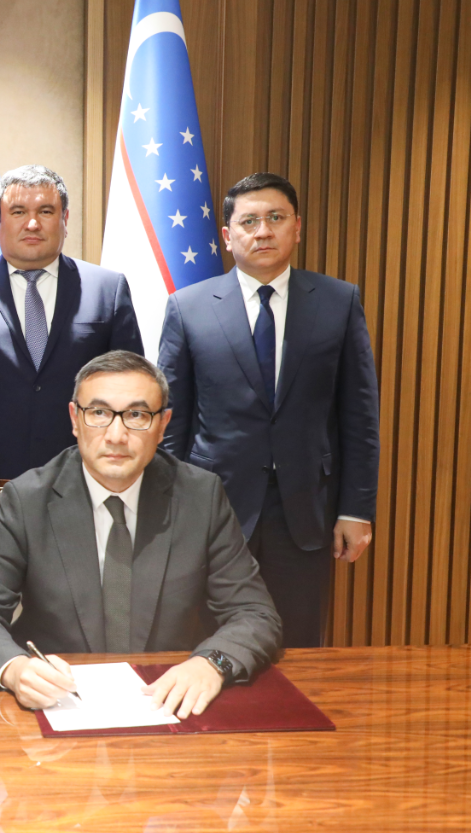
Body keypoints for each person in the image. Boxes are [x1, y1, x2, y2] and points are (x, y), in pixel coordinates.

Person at [0, 351, 281, 719]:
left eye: (137, 416)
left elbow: (254, 613)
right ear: (75, 419)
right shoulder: (26, 499)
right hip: (59, 703)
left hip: (166, 700)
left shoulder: (201, 496)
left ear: (163, 424)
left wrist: (210, 663)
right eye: (99, 413)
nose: (116, 435)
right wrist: (15, 669)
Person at [157, 173, 379, 648]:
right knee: (211, 647)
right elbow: (171, 424)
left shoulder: (338, 302)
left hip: (306, 512)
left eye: (276, 218)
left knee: (297, 649)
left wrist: (356, 509)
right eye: (249, 221)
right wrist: (168, 510)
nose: (263, 231)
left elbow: (359, 417)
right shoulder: (187, 308)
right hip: (212, 511)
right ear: (227, 235)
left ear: (296, 227)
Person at [0, 164, 145, 575]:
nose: (33, 223)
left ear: (65, 218)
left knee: (83, 605)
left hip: (89, 482)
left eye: (46, 211)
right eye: (19, 211)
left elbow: (134, 395)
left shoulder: (107, 289)